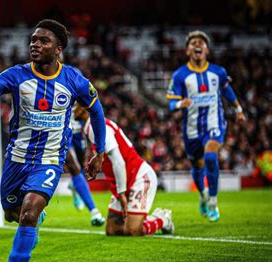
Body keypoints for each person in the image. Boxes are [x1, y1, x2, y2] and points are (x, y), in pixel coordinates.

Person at [0, 19, 106, 262]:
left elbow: (97, 110)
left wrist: (100, 150)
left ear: (58, 49)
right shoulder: (17, 75)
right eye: (33, 39)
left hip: (49, 161)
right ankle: (30, 218)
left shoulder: (73, 79)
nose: (35, 44)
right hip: (16, 160)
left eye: (43, 41)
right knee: (12, 214)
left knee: (29, 213)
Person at [166, 30, 246, 222]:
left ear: (207, 49)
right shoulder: (180, 75)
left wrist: (238, 109)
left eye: (201, 42)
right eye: (193, 42)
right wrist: (179, 104)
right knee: (197, 164)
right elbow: (170, 104)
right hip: (191, 130)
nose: (197, 45)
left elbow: (227, 91)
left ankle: (212, 202)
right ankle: (202, 194)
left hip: (214, 124)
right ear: (187, 50)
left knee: (211, 156)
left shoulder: (218, 72)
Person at [74, 104, 174, 236]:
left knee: (133, 230)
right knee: (113, 230)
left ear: (82, 109)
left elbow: (117, 160)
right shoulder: (91, 126)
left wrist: (121, 193)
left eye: (73, 106)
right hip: (123, 180)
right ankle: (144, 218)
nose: (70, 110)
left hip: (138, 176)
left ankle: (163, 219)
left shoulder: (96, 126)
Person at [65, 109, 105, 226]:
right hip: (63, 132)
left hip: (79, 133)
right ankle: (94, 211)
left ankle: (75, 186)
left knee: (81, 167)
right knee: (74, 167)